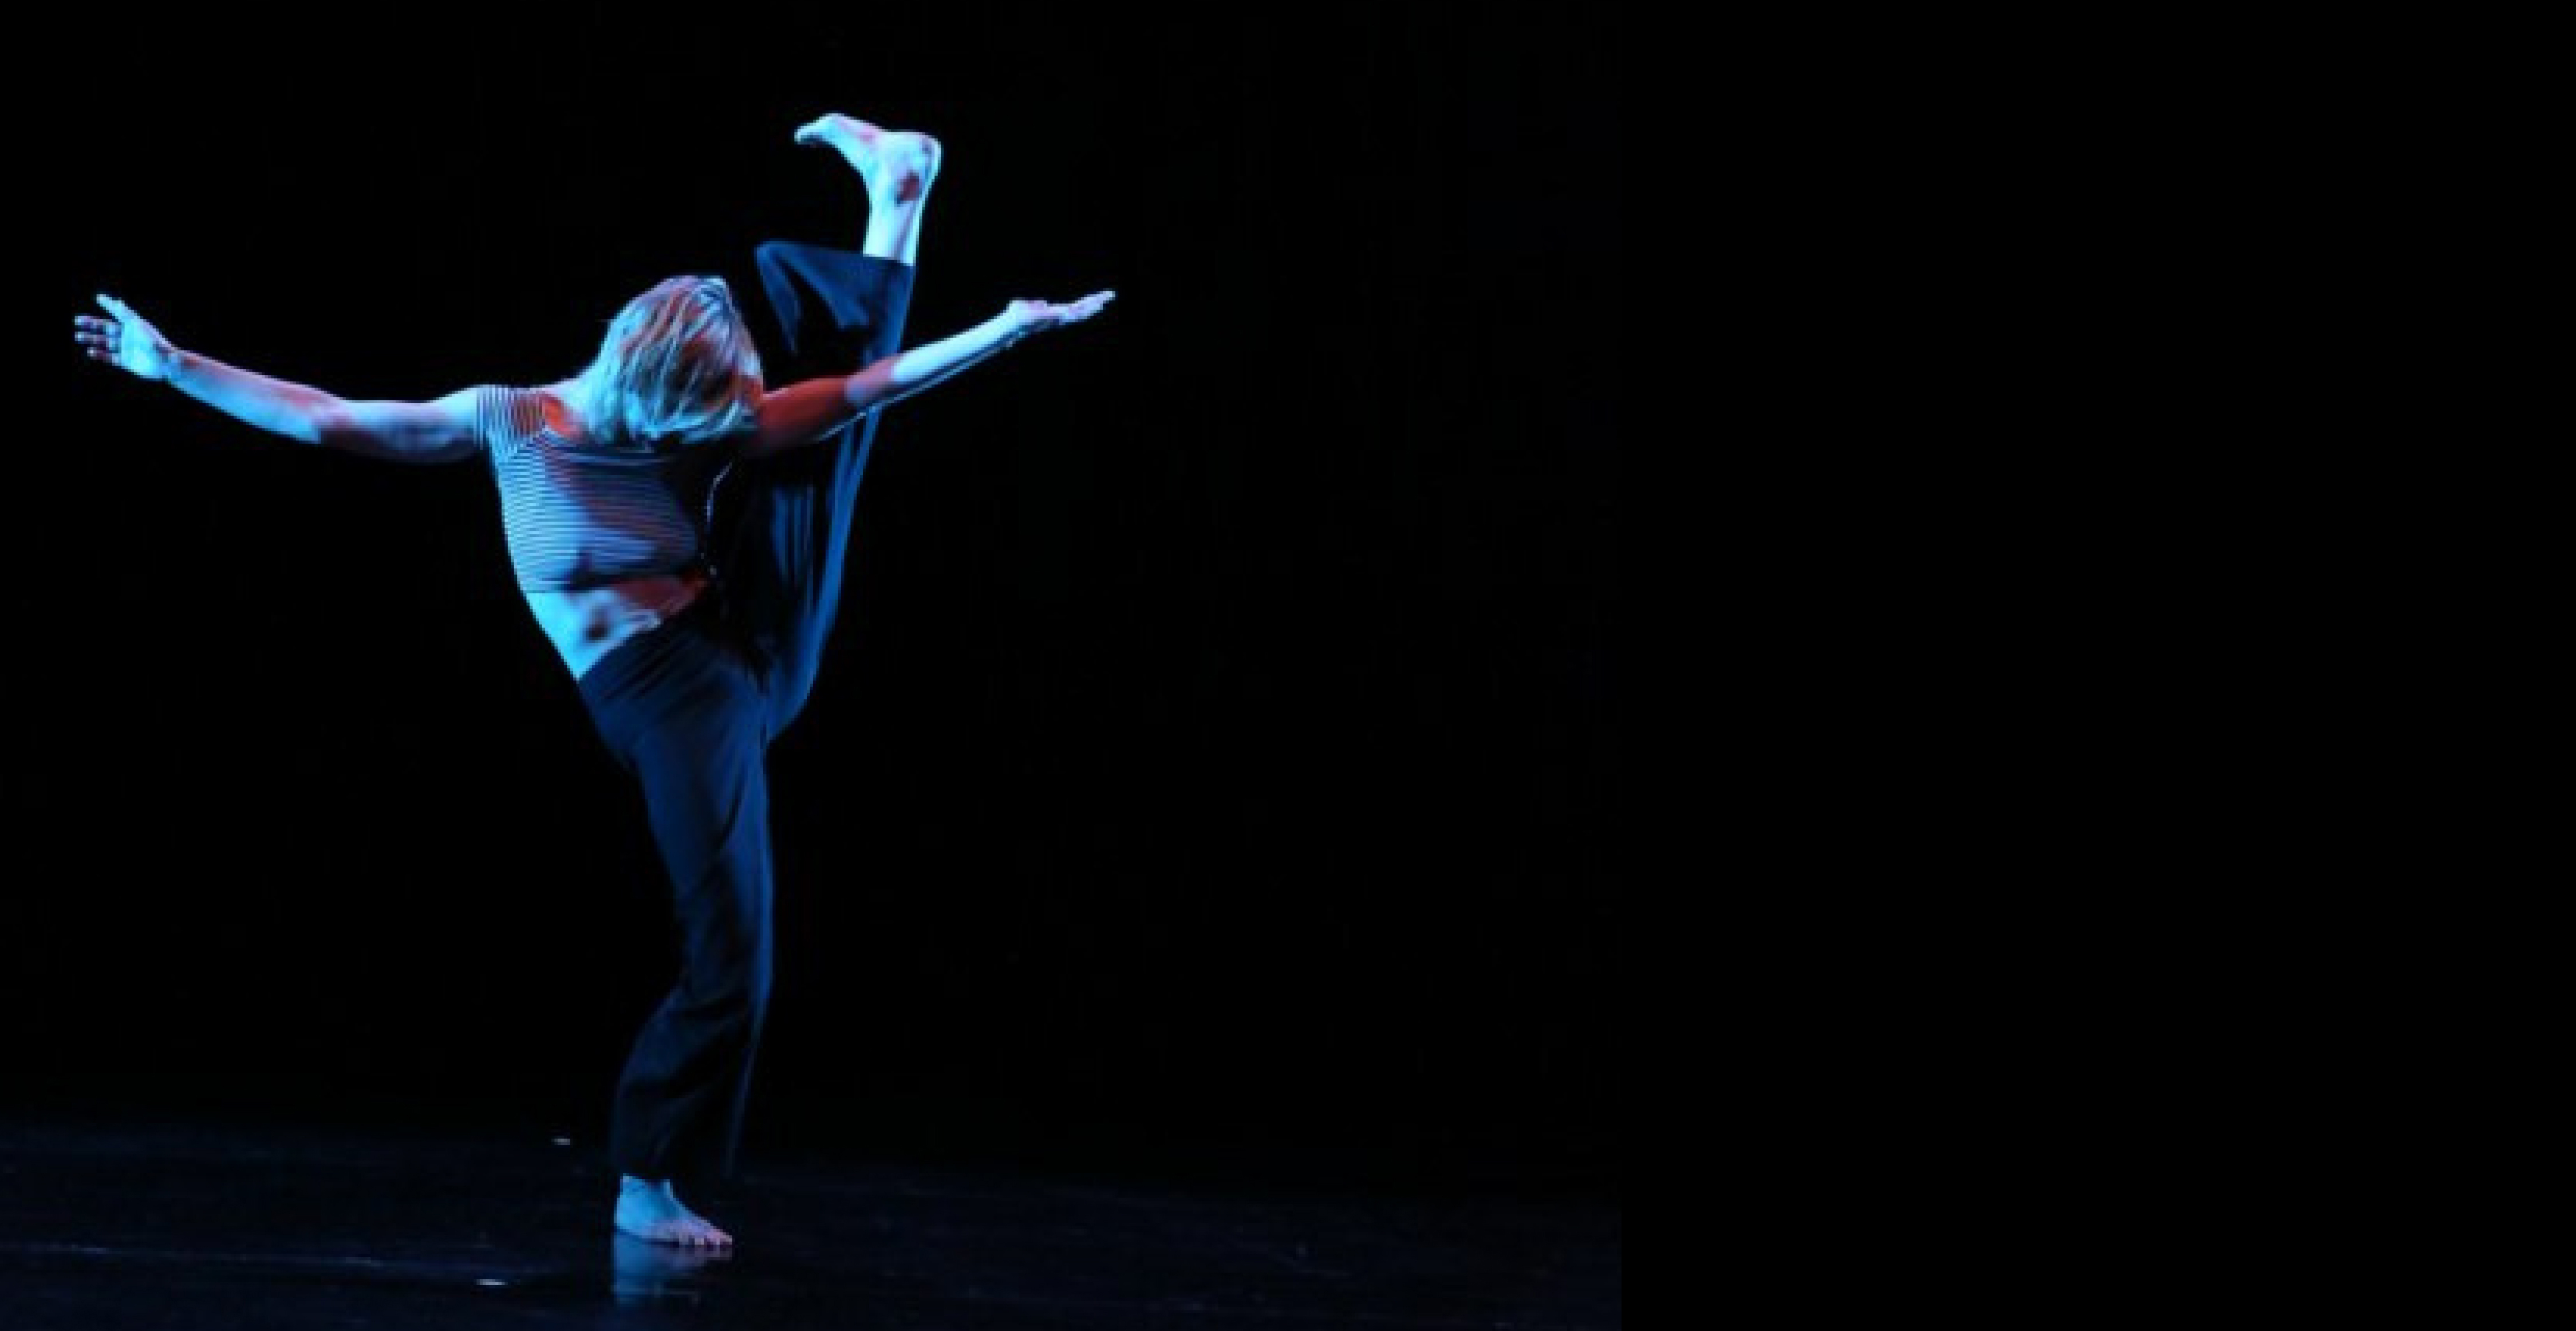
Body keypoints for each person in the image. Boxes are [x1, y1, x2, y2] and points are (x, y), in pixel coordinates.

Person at [70, 112, 1114, 1249]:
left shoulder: (702, 429)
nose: (720, 418)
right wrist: (175, 368)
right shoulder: (512, 423)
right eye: (705, 403)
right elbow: (330, 420)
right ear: (642, 370)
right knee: (817, 456)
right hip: (656, 691)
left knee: (737, 936)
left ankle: (645, 1179)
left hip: (721, 673)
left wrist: (1004, 332)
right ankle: (898, 195)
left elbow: (864, 391)